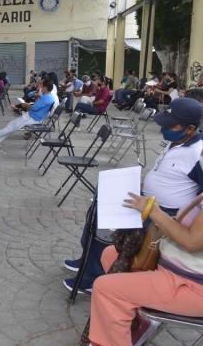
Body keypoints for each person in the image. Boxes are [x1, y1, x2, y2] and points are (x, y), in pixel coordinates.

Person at [64, 98, 203, 294]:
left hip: (161, 213)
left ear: (189, 129)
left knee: (106, 230)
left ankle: (92, 278)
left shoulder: (198, 153)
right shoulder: (175, 141)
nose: (163, 128)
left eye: (170, 125)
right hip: (143, 200)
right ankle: (87, 260)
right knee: (99, 207)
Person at [84, 190, 203, 346]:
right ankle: (137, 325)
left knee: (106, 288)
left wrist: (153, 211)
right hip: (173, 266)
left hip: (191, 285)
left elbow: (192, 242)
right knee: (112, 256)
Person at [0, 79, 55, 146]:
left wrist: (25, 105)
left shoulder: (46, 98)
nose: (41, 87)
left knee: (11, 126)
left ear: (45, 87)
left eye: (42, 85)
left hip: (33, 118)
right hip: (33, 117)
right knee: (12, 126)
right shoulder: (50, 97)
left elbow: (34, 108)